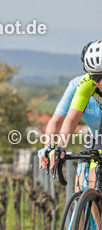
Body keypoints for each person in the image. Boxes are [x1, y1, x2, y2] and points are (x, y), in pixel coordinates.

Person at [37, 46, 102, 189]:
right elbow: (67, 120)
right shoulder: (81, 85)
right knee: (81, 185)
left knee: (94, 175)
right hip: (96, 135)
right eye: (97, 77)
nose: (101, 82)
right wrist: (54, 147)